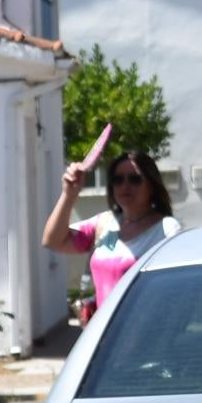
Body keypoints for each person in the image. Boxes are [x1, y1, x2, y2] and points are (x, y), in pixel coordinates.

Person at [39, 124, 178, 316]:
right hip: (105, 334)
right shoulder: (104, 223)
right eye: (118, 179)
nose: (125, 186)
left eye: (135, 179)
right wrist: (69, 194)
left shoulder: (166, 229)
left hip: (144, 331)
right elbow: (52, 240)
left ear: (152, 185)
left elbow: (174, 289)